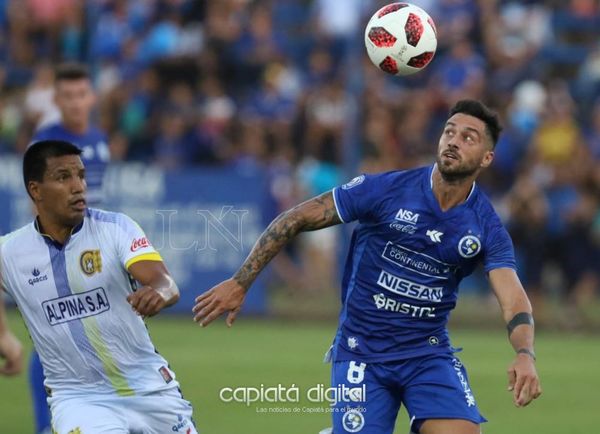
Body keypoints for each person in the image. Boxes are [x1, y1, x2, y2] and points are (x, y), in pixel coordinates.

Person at [193, 100, 542, 434]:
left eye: (469, 137)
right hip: (361, 351)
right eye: (449, 132)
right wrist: (241, 282)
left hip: (427, 352)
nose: (454, 141)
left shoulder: (485, 226)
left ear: (487, 158)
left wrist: (525, 354)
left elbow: (513, 299)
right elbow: (296, 217)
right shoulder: (386, 190)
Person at [1, 140, 197, 434]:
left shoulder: (115, 228)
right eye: (63, 177)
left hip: (150, 388)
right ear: (35, 190)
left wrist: (159, 293)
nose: (78, 186)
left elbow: (164, 281)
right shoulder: (10, 252)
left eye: (80, 175)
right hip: (79, 399)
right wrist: (4, 335)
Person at [28, 62, 111, 433]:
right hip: (58, 249)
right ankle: (48, 423)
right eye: (68, 96)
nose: (76, 102)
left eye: (82, 94)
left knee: (87, 333)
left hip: (90, 250)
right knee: (54, 333)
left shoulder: (97, 139)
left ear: (91, 97)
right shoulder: (47, 143)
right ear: (57, 99)